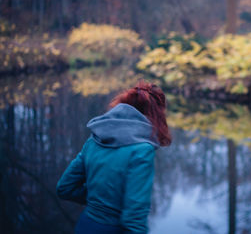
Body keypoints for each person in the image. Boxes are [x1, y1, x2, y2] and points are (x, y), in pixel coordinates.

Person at [56, 81, 171, 234]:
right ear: (156, 115)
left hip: (85, 226)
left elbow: (65, 188)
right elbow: (134, 219)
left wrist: (99, 201)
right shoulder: (142, 150)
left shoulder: (94, 139)